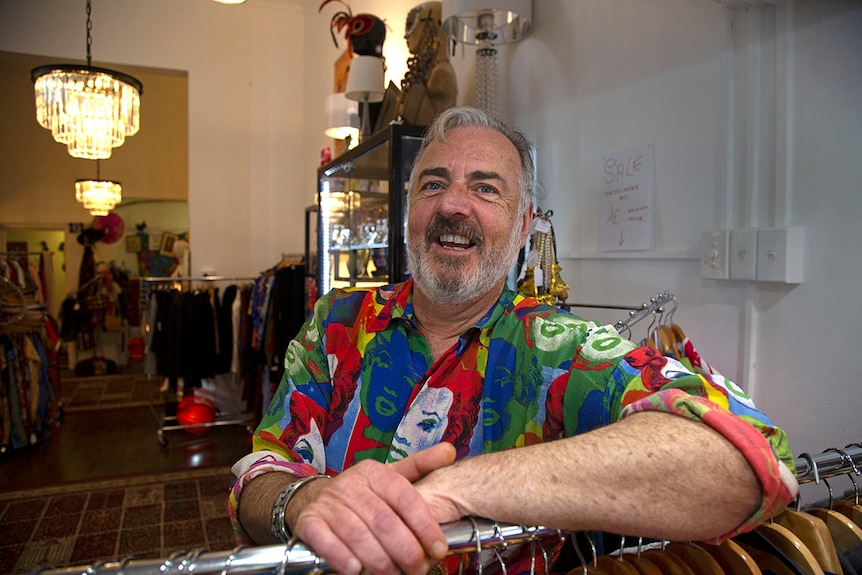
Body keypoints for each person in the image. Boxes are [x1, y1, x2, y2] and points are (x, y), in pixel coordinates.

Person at [228, 106, 798, 575]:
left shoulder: (559, 351)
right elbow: (259, 475)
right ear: (409, 211)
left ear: (524, 224)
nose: (454, 205)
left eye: (486, 188)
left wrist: (455, 489)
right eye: (434, 183)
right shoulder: (336, 321)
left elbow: (752, 457)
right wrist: (299, 500)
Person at [399, 2, 457, 126]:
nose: (406, 35)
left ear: (434, 24)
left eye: (410, 24)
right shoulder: (428, 73)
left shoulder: (441, 73)